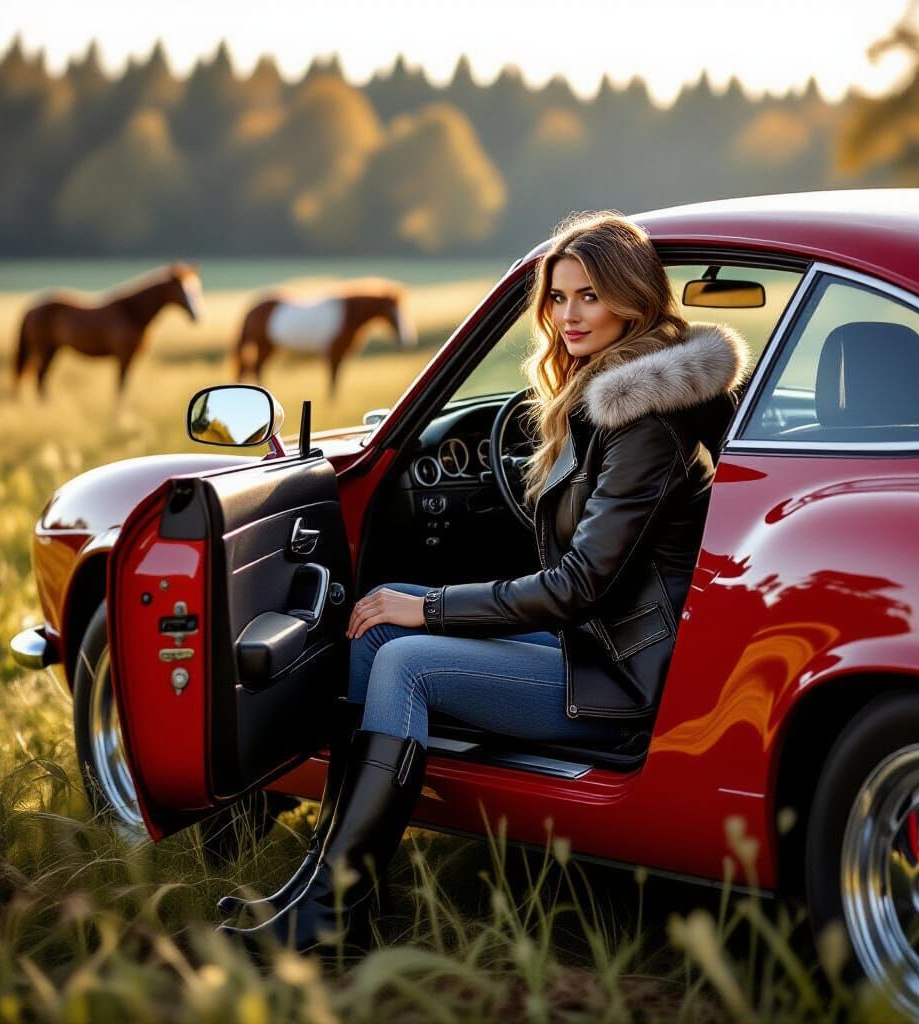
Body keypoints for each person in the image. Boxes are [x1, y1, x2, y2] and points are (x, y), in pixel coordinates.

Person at [219, 211, 749, 952]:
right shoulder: (612, 400)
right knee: (378, 636)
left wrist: (430, 604)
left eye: (589, 296)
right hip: (593, 645)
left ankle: (331, 918)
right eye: (558, 298)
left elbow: (576, 586)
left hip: (623, 679)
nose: (568, 315)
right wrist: (414, 607)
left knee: (405, 652)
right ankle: (329, 886)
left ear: (631, 299)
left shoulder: (645, 424)